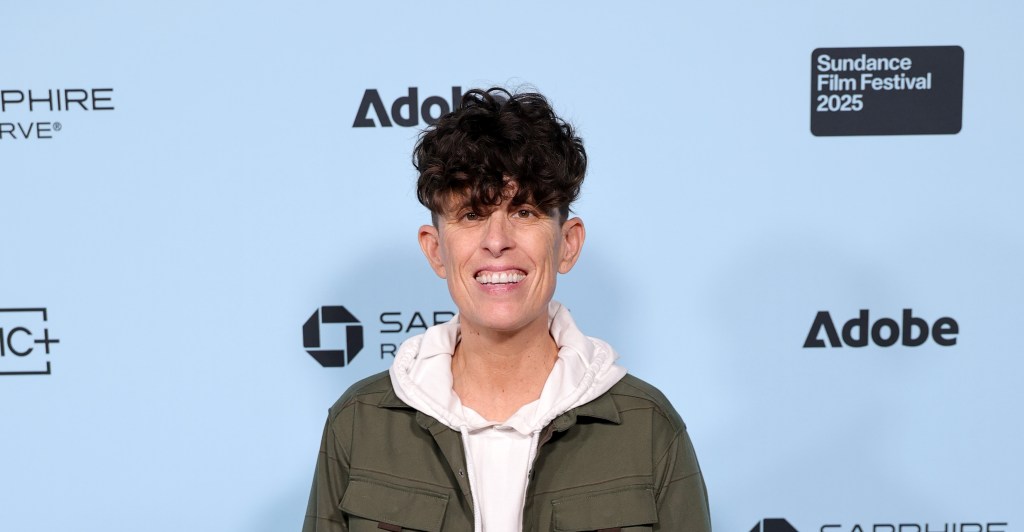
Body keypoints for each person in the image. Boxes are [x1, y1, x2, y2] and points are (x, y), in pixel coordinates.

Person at [303, 87, 710, 531]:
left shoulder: (648, 427)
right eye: (472, 215)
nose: (497, 241)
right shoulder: (359, 423)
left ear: (567, 244)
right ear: (436, 250)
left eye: (525, 212)